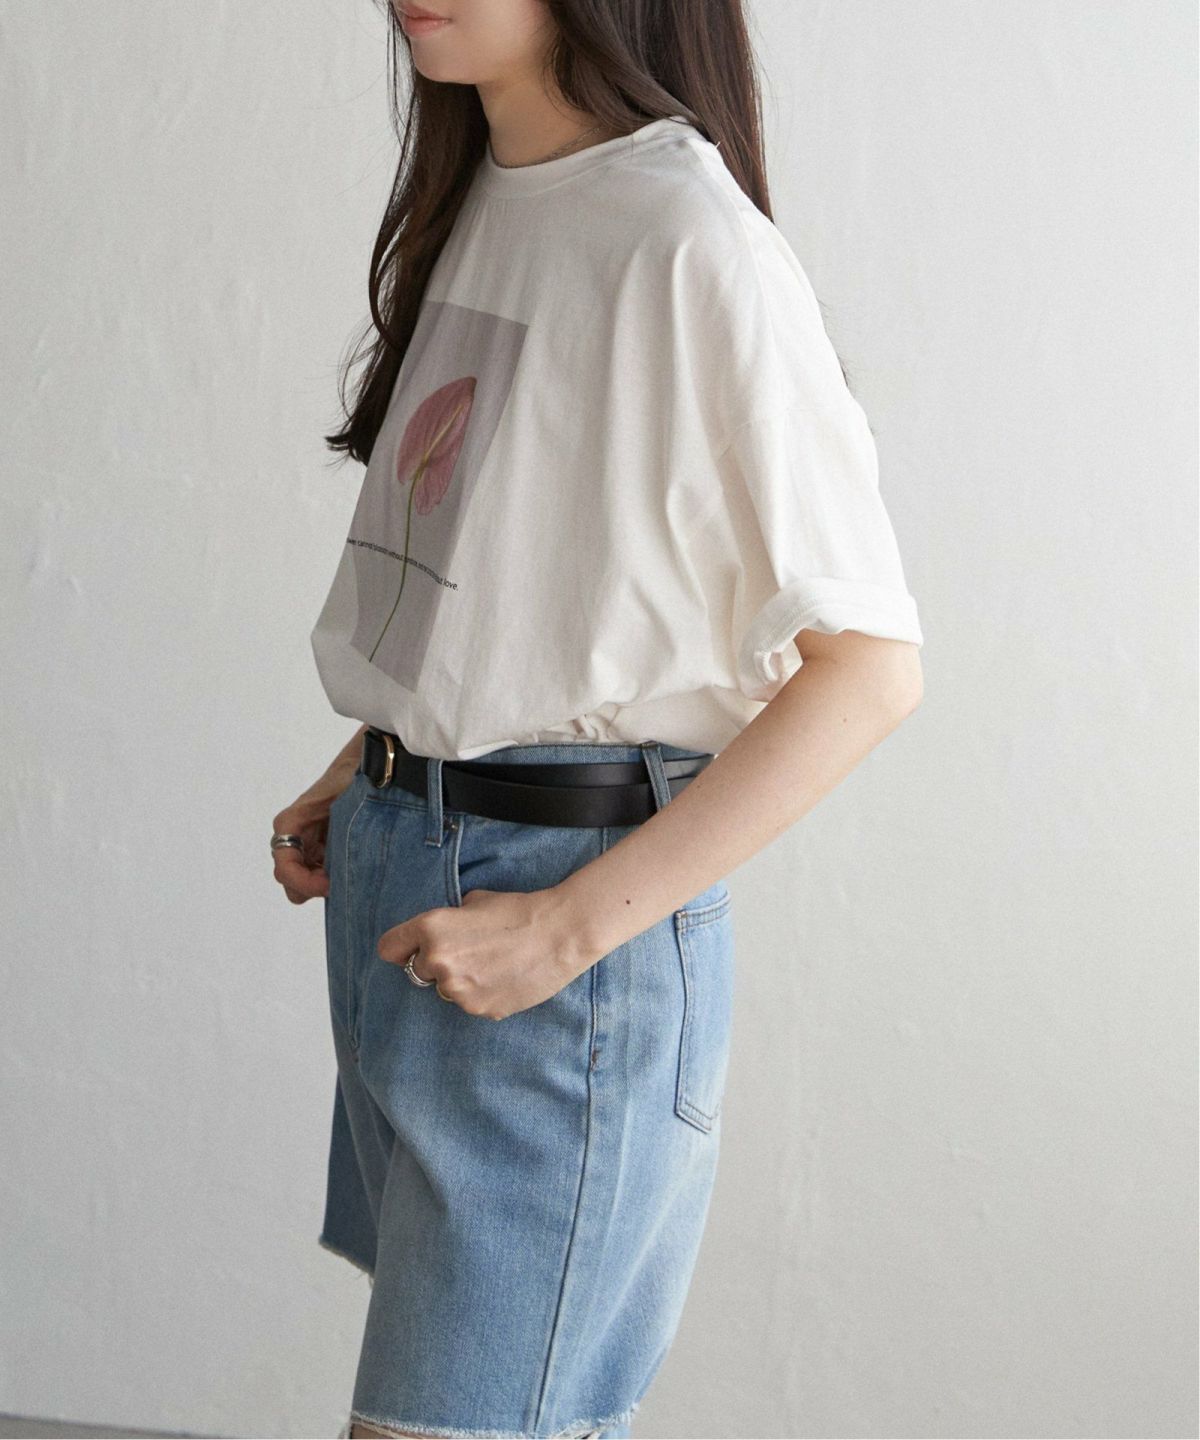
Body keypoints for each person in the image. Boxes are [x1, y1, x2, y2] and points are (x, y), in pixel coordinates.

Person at [271, 0, 925, 1435]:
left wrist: (565, 932)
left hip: (556, 933)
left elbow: (869, 667)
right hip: (417, 881)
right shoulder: (493, 194)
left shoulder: (688, 240)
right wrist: (379, 758)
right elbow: (530, 570)